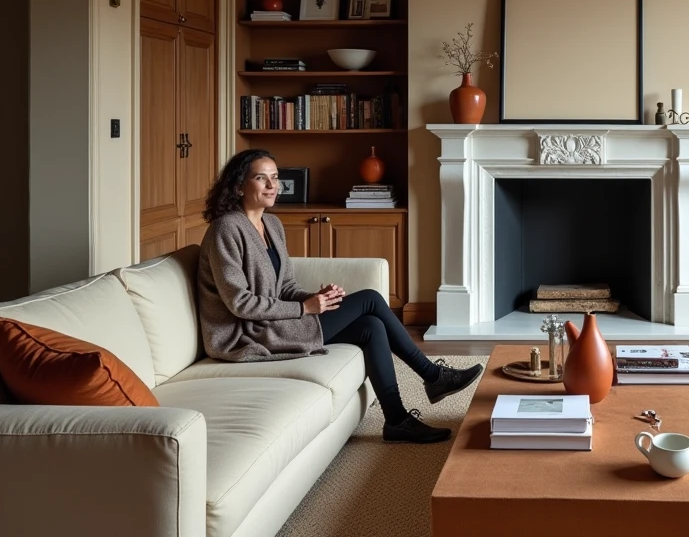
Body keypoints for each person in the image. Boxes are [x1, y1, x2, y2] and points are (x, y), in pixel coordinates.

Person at [197, 149, 482, 444]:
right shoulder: (226, 229)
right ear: (239, 185)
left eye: (275, 177)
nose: (272, 185)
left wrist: (318, 298)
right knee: (371, 298)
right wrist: (305, 307)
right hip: (245, 334)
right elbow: (239, 303)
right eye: (261, 178)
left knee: (372, 326)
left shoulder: (272, 225)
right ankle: (432, 375)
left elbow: (285, 286)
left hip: (273, 321)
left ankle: (397, 420)